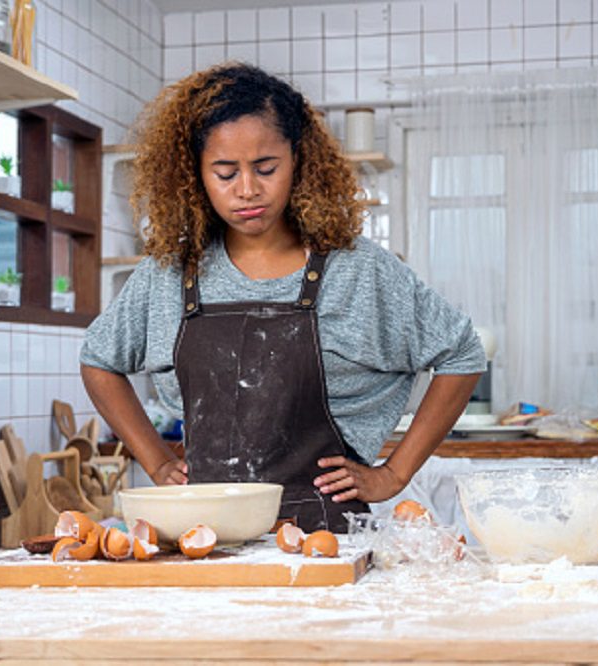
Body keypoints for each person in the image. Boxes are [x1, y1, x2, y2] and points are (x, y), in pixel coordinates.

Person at [80, 63, 485, 533]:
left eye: (266, 168)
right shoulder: (169, 273)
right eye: (225, 172)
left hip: (326, 537)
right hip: (207, 536)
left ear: (298, 160)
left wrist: (395, 472)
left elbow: (461, 351)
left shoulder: (356, 268)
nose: (248, 189)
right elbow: (98, 360)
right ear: (195, 175)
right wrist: (155, 460)